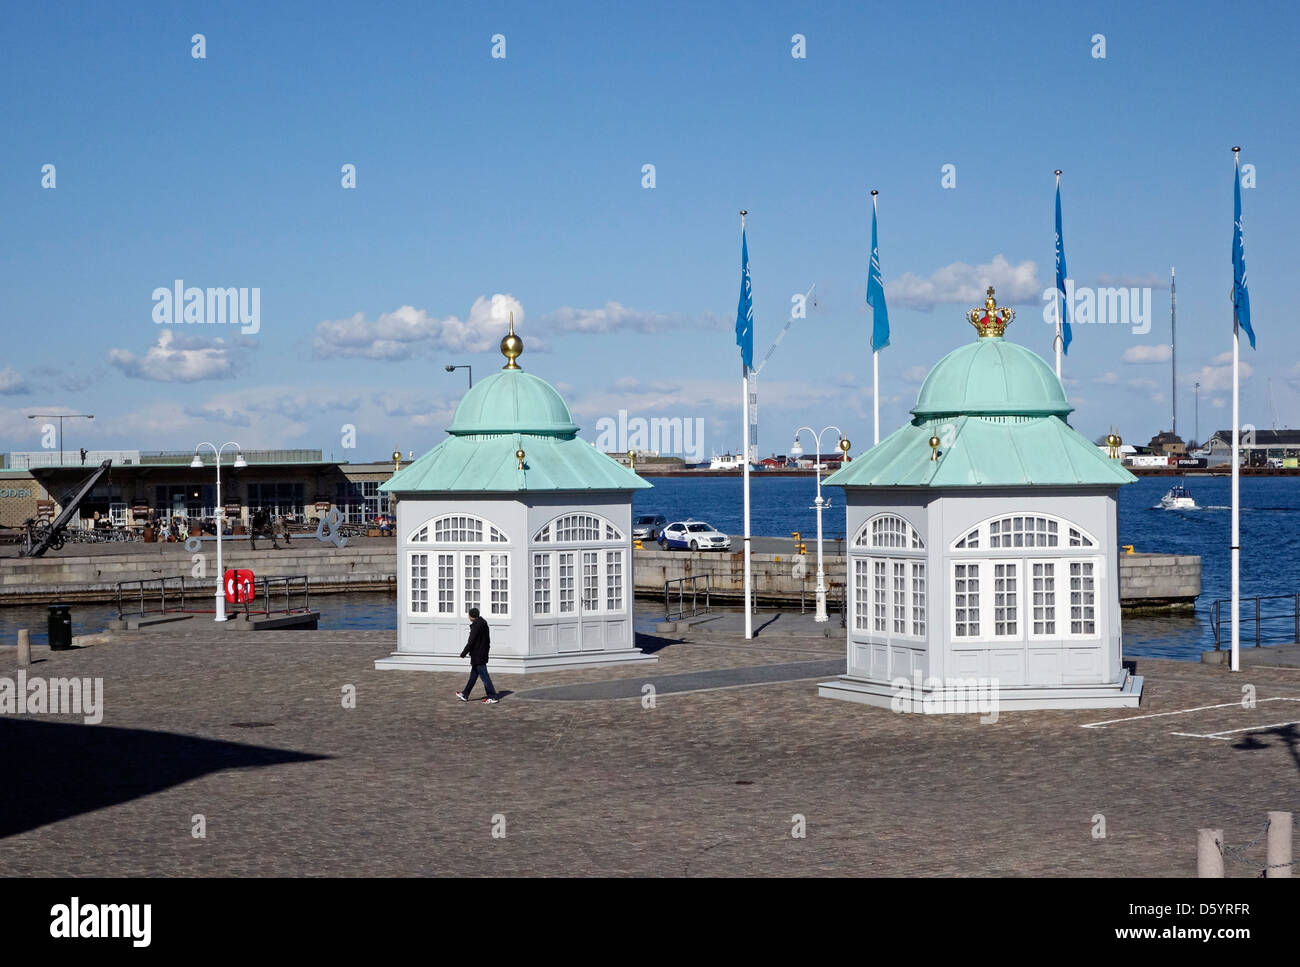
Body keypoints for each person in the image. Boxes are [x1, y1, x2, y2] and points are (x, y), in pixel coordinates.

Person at [455, 607, 498, 704]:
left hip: (478, 655)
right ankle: (465, 694)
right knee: (473, 676)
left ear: (471, 616)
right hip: (482, 653)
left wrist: (463, 653)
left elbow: (471, 642)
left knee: (485, 677)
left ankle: (492, 696)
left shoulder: (476, 626)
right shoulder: (483, 623)